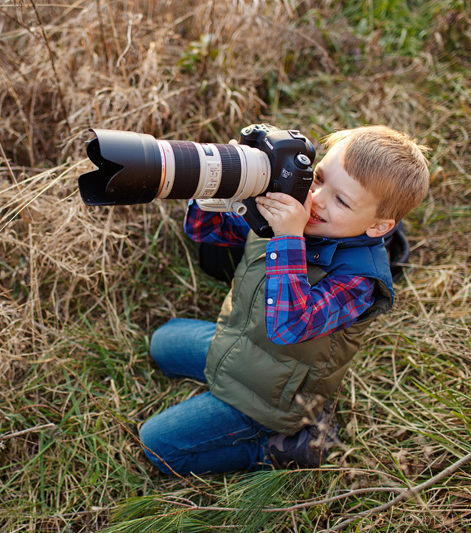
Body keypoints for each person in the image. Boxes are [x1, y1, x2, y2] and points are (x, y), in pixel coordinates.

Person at [139, 125, 430, 475]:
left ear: (379, 226)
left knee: (156, 445)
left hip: (273, 397)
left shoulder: (358, 281)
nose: (316, 199)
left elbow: (289, 327)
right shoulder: (293, 211)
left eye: (342, 201)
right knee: (161, 341)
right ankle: (223, 372)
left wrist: (288, 238)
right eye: (319, 178)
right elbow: (207, 230)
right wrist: (221, 183)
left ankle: (279, 448)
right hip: (238, 344)